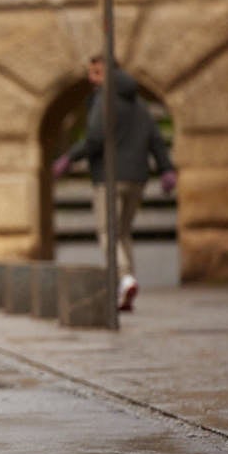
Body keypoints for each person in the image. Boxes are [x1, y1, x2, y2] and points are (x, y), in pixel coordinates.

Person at [52, 55, 177, 312]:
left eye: (96, 72)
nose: (91, 77)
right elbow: (155, 137)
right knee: (122, 233)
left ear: (110, 73)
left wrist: (70, 157)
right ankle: (125, 288)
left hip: (108, 178)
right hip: (137, 179)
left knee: (108, 232)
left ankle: (123, 278)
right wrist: (165, 169)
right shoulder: (139, 102)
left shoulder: (104, 99)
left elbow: (95, 137)